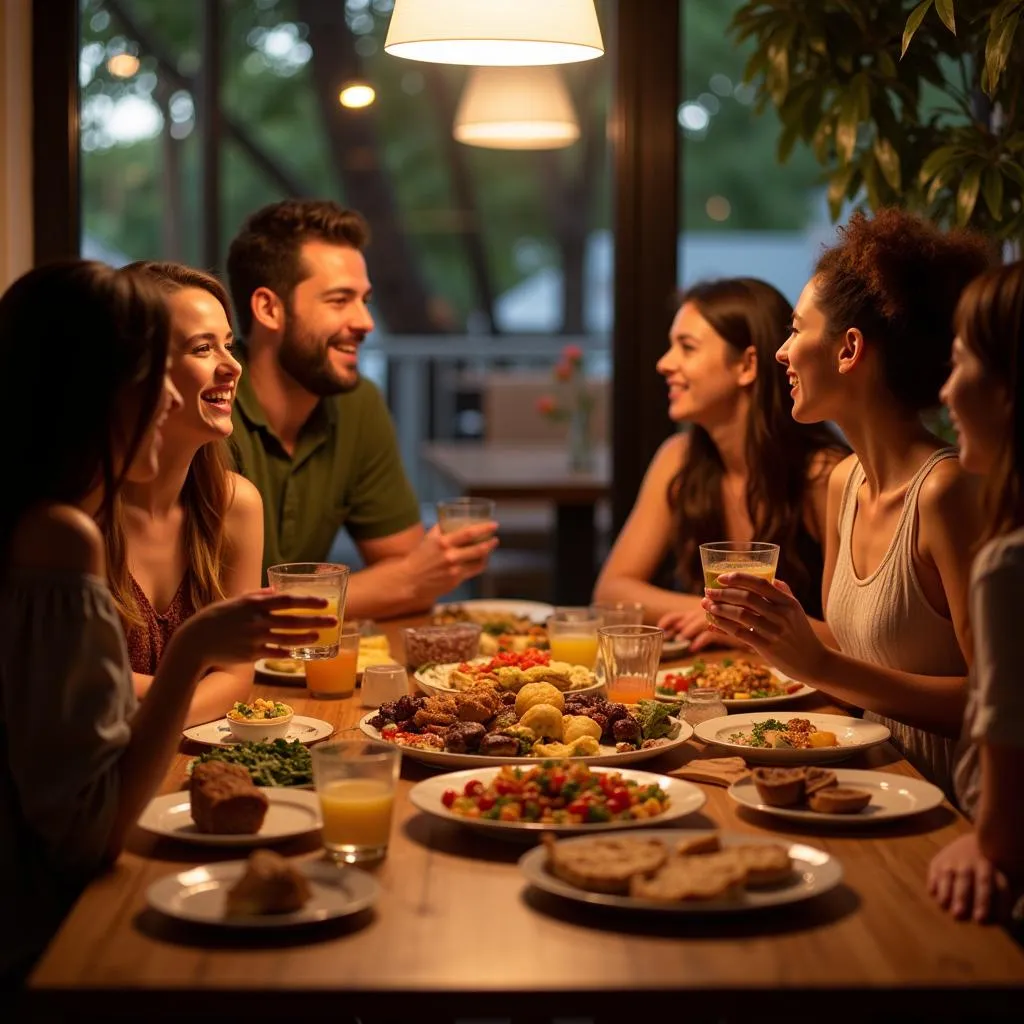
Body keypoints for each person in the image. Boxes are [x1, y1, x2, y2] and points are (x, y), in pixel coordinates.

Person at [0, 261, 336, 981]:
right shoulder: (63, 536)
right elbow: (85, 838)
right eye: (154, 368)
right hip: (44, 941)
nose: (171, 394)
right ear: (88, 391)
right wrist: (189, 658)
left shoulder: (47, 520)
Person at [701, 209, 991, 795]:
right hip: (871, 786)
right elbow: (860, 645)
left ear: (849, 348)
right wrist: (772, 626)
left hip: (952, 811)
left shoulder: (946, 492)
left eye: (796, 330)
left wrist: (817, 665)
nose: (782, 353)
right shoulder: (846, 482)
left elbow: (993, 701)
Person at [225, 199, 498, 618]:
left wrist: (405, 581)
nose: (366, 322)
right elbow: (220, 611)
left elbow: (412, 579)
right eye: (339, 300)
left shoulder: (357, 402)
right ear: (268, 309)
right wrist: (395, 583)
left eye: (364, 300)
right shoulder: (209, 404)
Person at [593, 277, 848, 643]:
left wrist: (742, 624)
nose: (664, 363)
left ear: (747, 365)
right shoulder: (678, 459)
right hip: (712, 687)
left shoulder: (824, 474)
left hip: (808, 697)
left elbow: (856, 643)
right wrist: (719, 615)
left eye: (687, 347)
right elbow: (611, 592)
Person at [108, 261, 262, 727]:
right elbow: (90, 681)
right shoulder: (81, 514)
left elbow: (237, 675)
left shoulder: (234, 504)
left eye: (229, 346)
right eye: (203, 348)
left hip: (179, 755)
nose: (232, 366)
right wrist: (185, 695)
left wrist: (159, 717)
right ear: (137, 370)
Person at [928, 260, 1024, 923]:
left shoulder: (1006, 566)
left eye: (960, 364)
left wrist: (980, 843)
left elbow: (1006, 832)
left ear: (1007, 390)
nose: (945, 391)